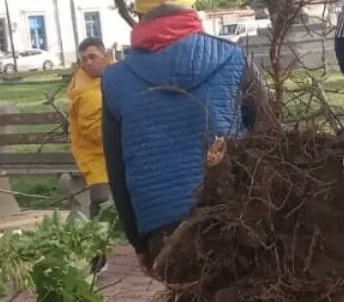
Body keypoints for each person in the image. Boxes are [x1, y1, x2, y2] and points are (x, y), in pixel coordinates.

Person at [102, 0, 258, 277]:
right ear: (191, 11)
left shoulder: (114, 79)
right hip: (237, 215)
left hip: (164, 229)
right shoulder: (233, 58)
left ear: (140, 15)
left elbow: (116, 168)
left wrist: (138, 242)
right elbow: (268, 136)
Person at [62, 37, 113, 272]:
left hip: (113, 152)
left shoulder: (111, 76)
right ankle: (96, 255)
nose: (88, 63)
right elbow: (95, 132)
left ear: (105, 54)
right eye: (84, 59)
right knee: (102, 203)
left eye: (93, 56)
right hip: (96, 156)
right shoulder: (86, 92)